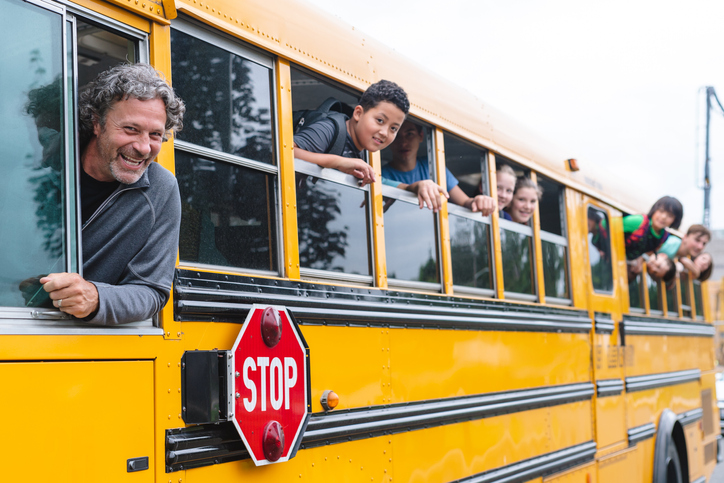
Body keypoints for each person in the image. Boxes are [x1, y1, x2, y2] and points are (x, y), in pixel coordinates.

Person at [39, 63, 185, 325]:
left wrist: (96, 299)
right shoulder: (37, 165)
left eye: (155, 135)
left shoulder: (162, 189)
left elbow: (152, 291)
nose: (142, 147)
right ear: (97, 122)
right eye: (131, 129)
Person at [293, 79, 409, 186]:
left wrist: (413, 187)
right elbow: (285, 150)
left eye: (393, 128)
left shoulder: (365, 150)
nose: (384, 132)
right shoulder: (329, 130)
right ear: (358, 113)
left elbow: (381, 183)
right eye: (380, 120)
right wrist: (338, 162)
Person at [381, 120, 496, 215]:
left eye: (409, 134)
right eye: (397, 136)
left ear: (421, 136)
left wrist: (479, 200)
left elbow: (465, 201)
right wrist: (418, 186)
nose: (403, 143)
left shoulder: (431, 165)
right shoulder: (381, 174)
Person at [623, 196, 683, 261]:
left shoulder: (664, 237)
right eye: (661, 211)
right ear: (655, 209)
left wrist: (639, 259)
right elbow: (611, 226)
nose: (663, 217)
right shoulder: (640, 221)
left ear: (675, 220)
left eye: (670, 216)